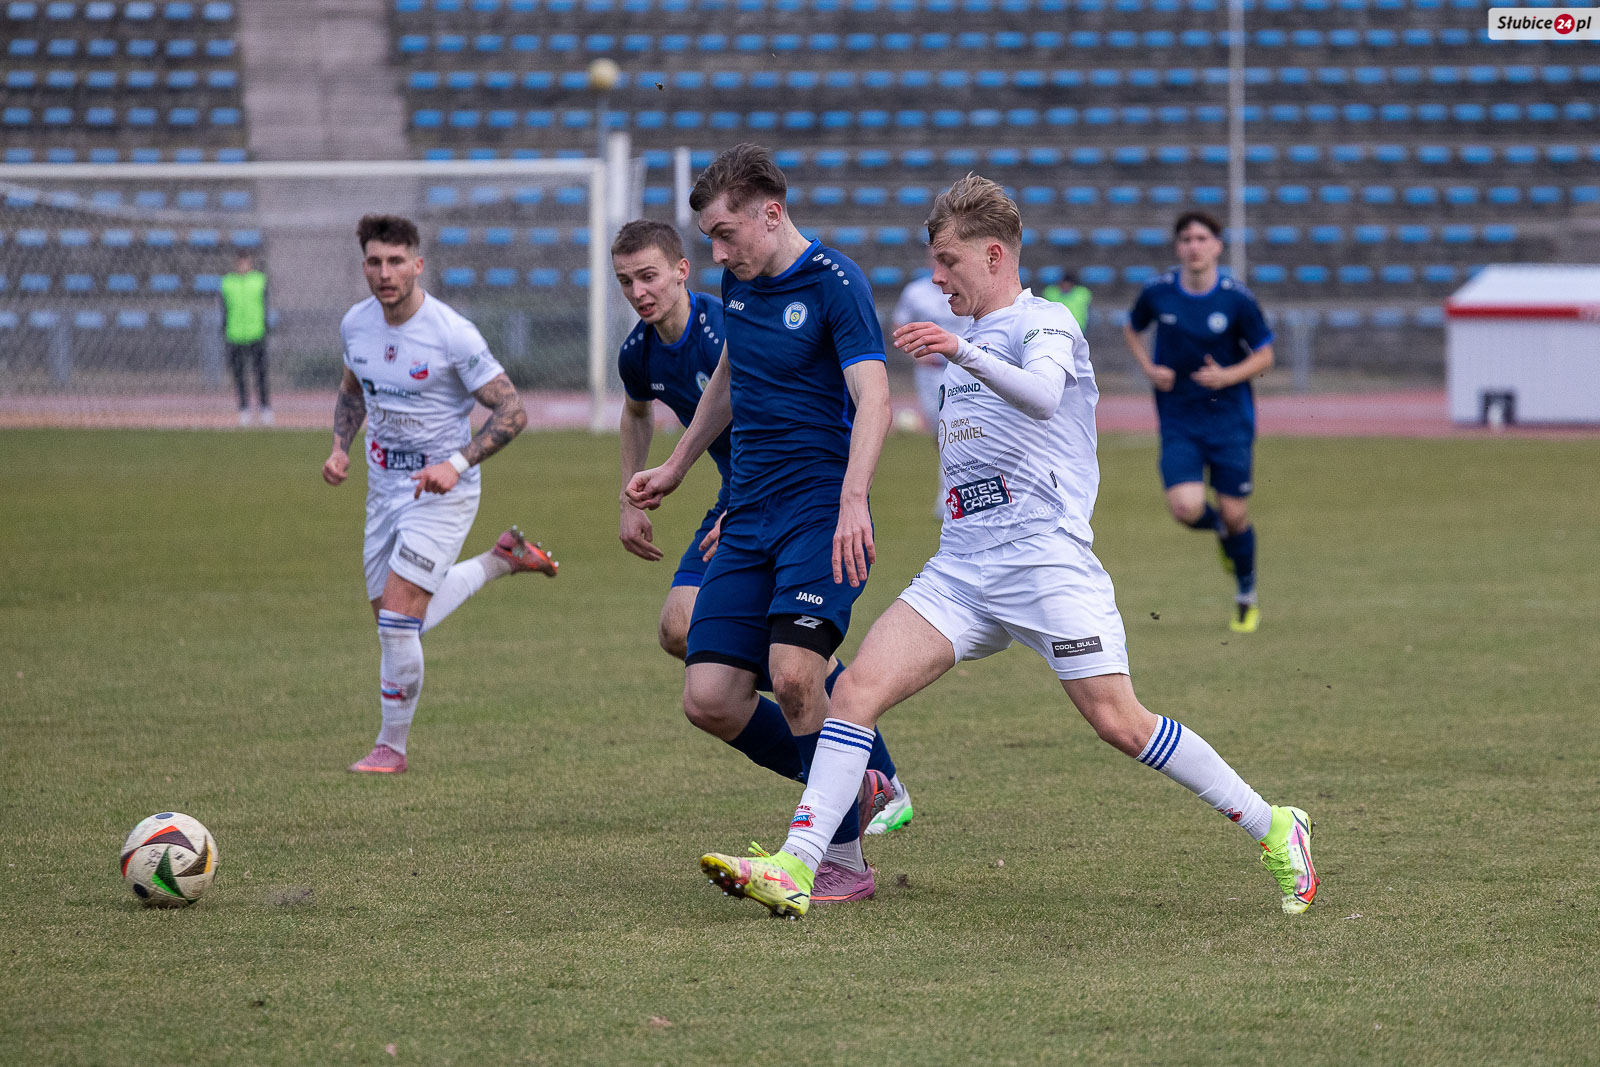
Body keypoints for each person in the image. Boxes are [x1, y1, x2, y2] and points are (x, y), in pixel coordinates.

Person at [697, 175, 1318, 920]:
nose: (936, 278)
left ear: (994, 255)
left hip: (1044, 561)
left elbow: (1044, 395)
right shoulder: (964, 340)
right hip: (961, 567)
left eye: (948, 261)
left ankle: (1274, 824)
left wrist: (961, 351)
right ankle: (807, 863)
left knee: (1120, 722)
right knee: (854, 693)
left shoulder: (1043, 322)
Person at [626, 144, 907, 902]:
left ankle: (840, 860)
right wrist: (677, 464)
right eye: (710, 239)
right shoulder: (738, 281)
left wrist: (854, 499)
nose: (717, 254)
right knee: (710, 697)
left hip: (818, 509)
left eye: (725, 234)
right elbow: (729, 375)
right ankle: (854, 780)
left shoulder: (836, 282)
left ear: (771, 213)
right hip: (747, 510)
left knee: (793, 675)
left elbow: (875, 399)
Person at [322, 214, 558, 775]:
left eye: (396, 261)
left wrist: (456, 465)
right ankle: (501, 560)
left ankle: (391, 749)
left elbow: (513, 410)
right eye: (375, 262)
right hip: (384, 490)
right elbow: (353, 390)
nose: (385, 273)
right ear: (364, 267)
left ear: (418, 265)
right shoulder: (355, 324)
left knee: (397, 625)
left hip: (444, 494)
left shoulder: (452, 333)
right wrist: (339, 448)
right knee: (398, 623)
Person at [1121, 212, 1275, 633]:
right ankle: (1222, 531)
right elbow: (1132, 329)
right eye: (1187, 238)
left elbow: (1265, 355)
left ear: (1217, 246)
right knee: (1186, 508)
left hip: (1230, 421)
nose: (1194, 246)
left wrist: (1227, 376)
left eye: (1202, 238)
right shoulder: (1158, 292)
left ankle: (1246, 595)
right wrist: (1149, 368)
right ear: (1178, 247)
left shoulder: (1236, 299)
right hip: (1179, 420)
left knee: (1236, 514)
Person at [893, 250, 973, 438]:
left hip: (963, 367)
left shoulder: (968, 289)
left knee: (965, 428)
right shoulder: (915, 292)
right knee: (938, 428)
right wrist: (915, 354)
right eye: (935, 259)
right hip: (930, 371)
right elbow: (898, 326)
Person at [221, 253, 271, 426]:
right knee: (239, 375)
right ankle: (244, 409)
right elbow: (223, 309)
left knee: (261, 374)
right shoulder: (228, 283)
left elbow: (265, 306)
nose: (243, 266)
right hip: (235, 334)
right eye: (241, 263)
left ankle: (265, 408)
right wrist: (225, 329)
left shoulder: (259, 281)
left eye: (246, 262)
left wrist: (265, 327)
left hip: (256, 333)